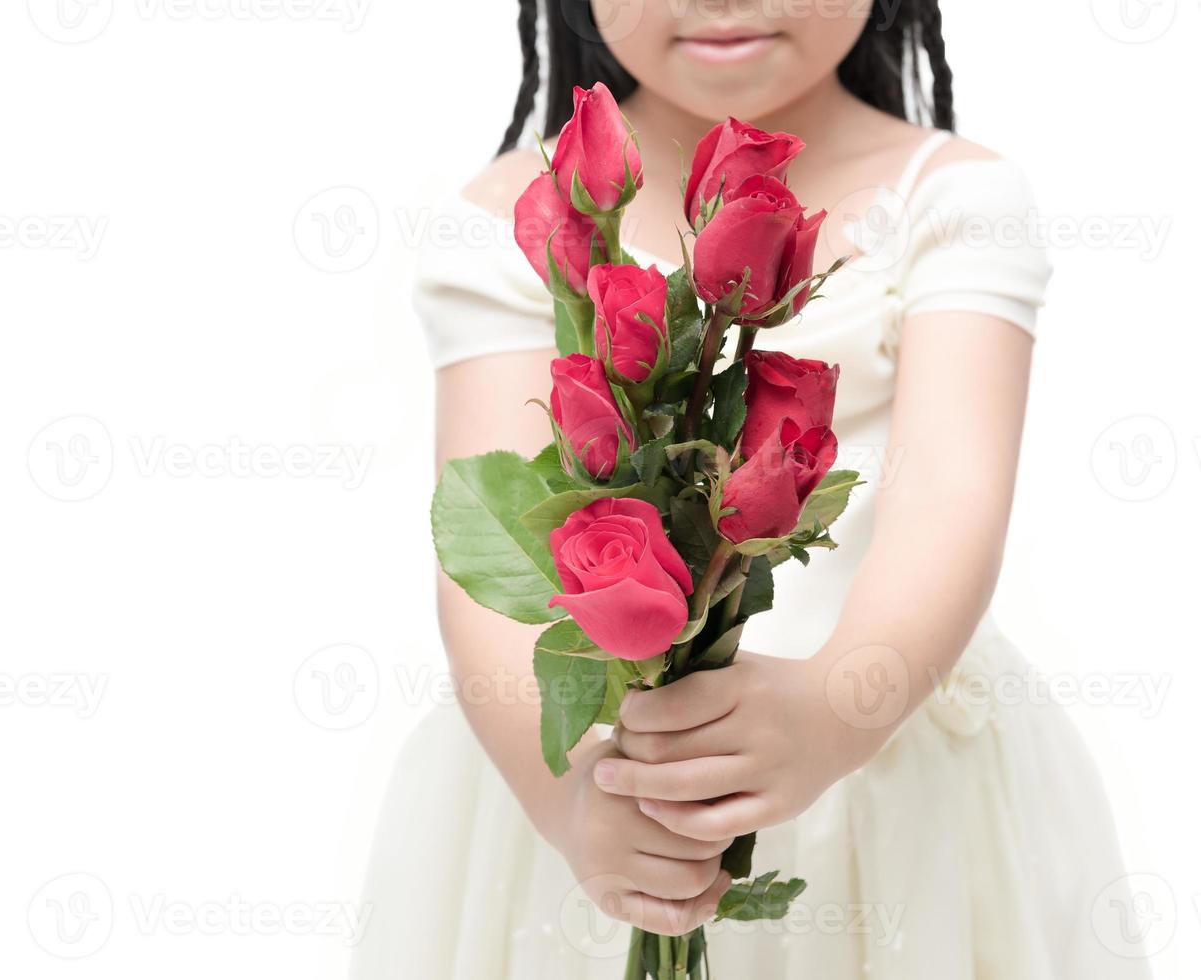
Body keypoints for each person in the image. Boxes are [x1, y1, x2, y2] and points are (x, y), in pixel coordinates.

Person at [354, 3, 1149, 977]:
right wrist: (568, 804)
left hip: (886, 762)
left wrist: (834, 709)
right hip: (594, 775)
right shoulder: (512, 213)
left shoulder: (951, 198)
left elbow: (948, 493)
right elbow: (492, 548)